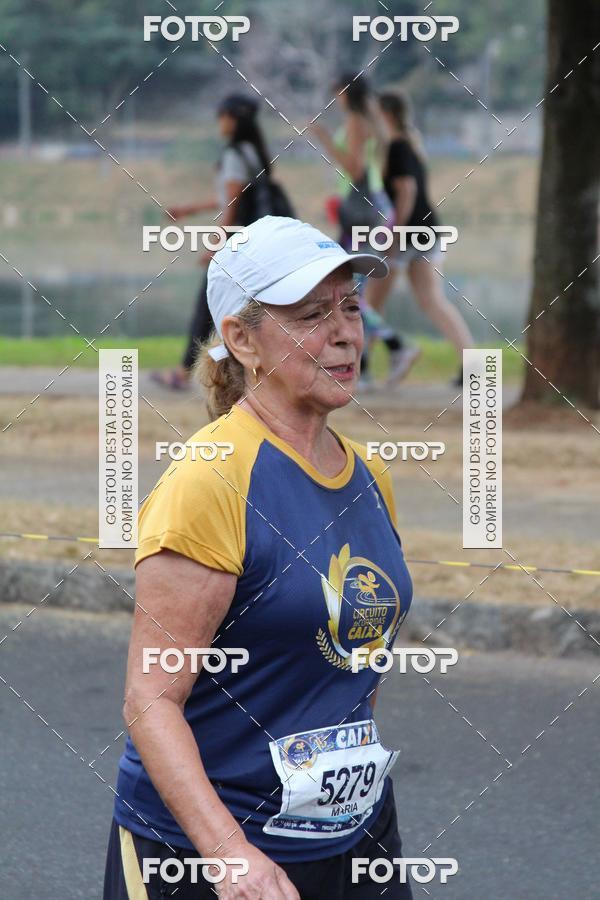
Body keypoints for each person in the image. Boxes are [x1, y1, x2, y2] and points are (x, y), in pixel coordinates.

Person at [103, 216, 415, 899]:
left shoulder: (368, 475)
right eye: (312, 314)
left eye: (351, 307)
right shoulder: (211, 480)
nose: (345, 334)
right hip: (208, 850)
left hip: (353, 839)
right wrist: (227, 855)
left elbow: (351, 660)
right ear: (241, 338)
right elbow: (149, 698)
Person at [152, 93, 273, 390]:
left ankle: (184, 374)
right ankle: (244, 372)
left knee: (207, 306)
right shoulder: (253, 152)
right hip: (254, 240)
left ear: (233, 119)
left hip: (235, 243)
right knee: (242, 310)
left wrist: (217, 243)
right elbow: (231, 197)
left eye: (222, 116)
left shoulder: (234, 155)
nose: (219, 123)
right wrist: (189, 210)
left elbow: (231, 204)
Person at [309, 73, 417, 390]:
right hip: (372, 209)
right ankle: (365, 368)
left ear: (345, 92)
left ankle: (397, 346)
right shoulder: (371, 119)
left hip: (362, 212)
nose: (336, 99)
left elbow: (354, 168)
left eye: (337, 93)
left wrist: (325, 139)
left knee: (347, 290)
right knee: (353, 290)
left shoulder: (356, 121)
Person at [370, 91, 474, 387]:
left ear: (386, 114)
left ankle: (360, 369)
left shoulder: (397, 147)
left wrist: (394, 233)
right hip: (428, 229)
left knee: (369, 303)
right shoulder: (412, 145)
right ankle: (472, 365)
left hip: (409, 233)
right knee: (432, 301)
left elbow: (407, 191)